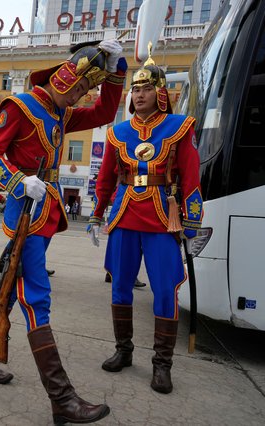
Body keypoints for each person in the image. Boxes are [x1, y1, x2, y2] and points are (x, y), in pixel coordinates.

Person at [0, 40, 126, 424]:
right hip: (26, 210)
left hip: (45, 209)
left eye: (84, 91)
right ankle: (62, 397)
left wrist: (118, 69)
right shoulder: (20, 107)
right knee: (35, 294)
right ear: (65, 78)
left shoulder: (63, 112)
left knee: (8, 283)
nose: (81, 97)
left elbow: (106, 109)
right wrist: (19, 181)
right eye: (79, 89)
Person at [88, 48, 202, 395]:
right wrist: (96, 213)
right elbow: (106, 177)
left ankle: (162, 364)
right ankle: (123, 350)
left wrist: (192, 222)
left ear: (161, 92)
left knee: (165, 290)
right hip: (123, 215)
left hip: (161, 218)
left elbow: (192, 176)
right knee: (121, 285)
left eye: (146, 89)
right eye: (135, 90)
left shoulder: (177, 127)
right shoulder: (118, 132)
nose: (139, 95)